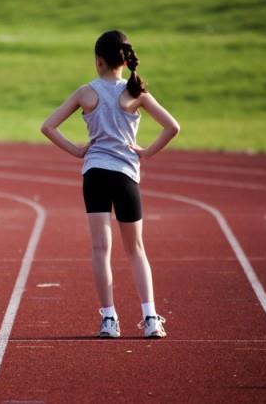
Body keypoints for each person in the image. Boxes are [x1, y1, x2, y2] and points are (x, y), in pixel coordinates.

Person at [40, 30, 180, 338]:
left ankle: (109, 320)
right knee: (136, 250)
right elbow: (173, 126)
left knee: (100, 249)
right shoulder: (135, 92)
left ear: (98, 61)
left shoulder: (85, 92)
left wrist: (77, 150)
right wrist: (146, 152)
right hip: (126, 175)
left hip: (95, 175)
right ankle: (151, 319)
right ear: (123, 60)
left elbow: (48, 126)